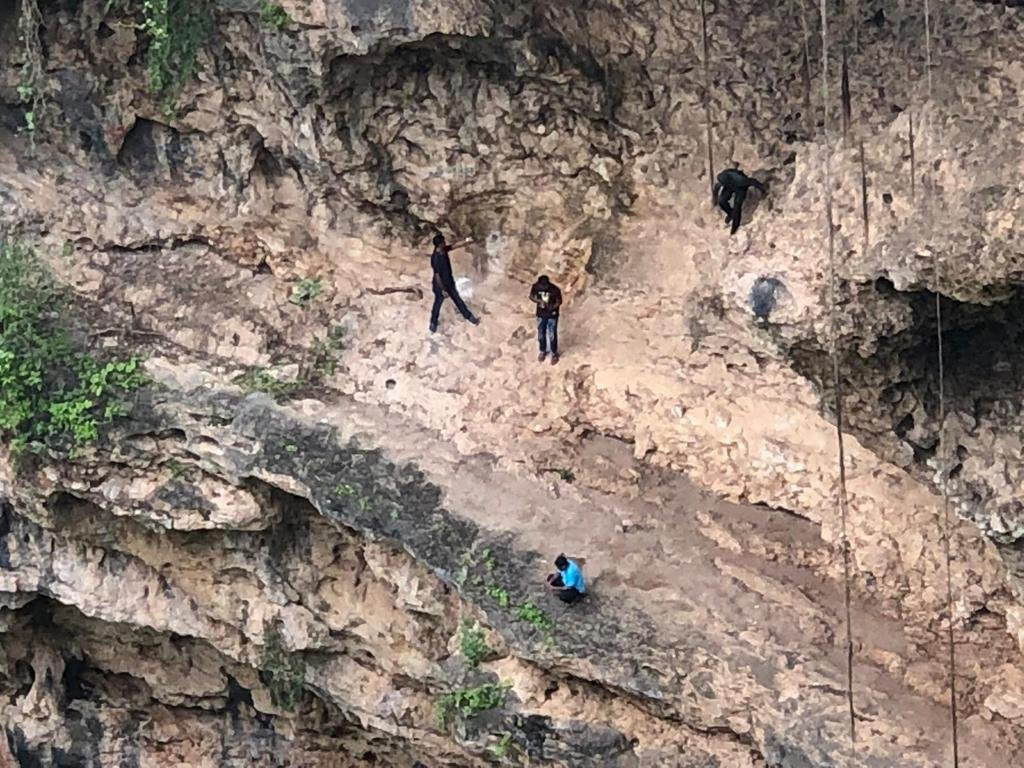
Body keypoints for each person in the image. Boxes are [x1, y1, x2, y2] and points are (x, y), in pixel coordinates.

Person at [429, 233, 480, 333]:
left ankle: (469, 317)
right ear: (439, 244)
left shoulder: (443, 250)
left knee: (458, 300)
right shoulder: (435, 258)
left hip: (449, 282)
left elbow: (454, 246)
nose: (445, 243)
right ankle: (433, 323)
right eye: (443, 242)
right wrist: (443, 290)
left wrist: (466, 242)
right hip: (440, 286)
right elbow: (437, 276)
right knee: (437, 304)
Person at [713, 168, 767, 235]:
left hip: (740, 187)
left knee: (737, 206)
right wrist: (714, 200)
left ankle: (735, 226)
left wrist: (762, 188)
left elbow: (752, 181)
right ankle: (730, 213)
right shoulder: (723, 178)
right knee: (722, 201)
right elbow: (717, 187)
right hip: (729, 186)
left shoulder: (740, 180)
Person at [529, 275, 562, 364]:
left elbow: (559, 301)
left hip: (552, 315)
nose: (541, 288)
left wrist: (552, 307)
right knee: (541, 334)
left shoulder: (555, 290)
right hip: (541, 314)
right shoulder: (536, 287)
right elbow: (531, 296)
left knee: (552, 334)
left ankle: (554, 353)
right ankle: (542, 350)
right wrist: (539, 301)